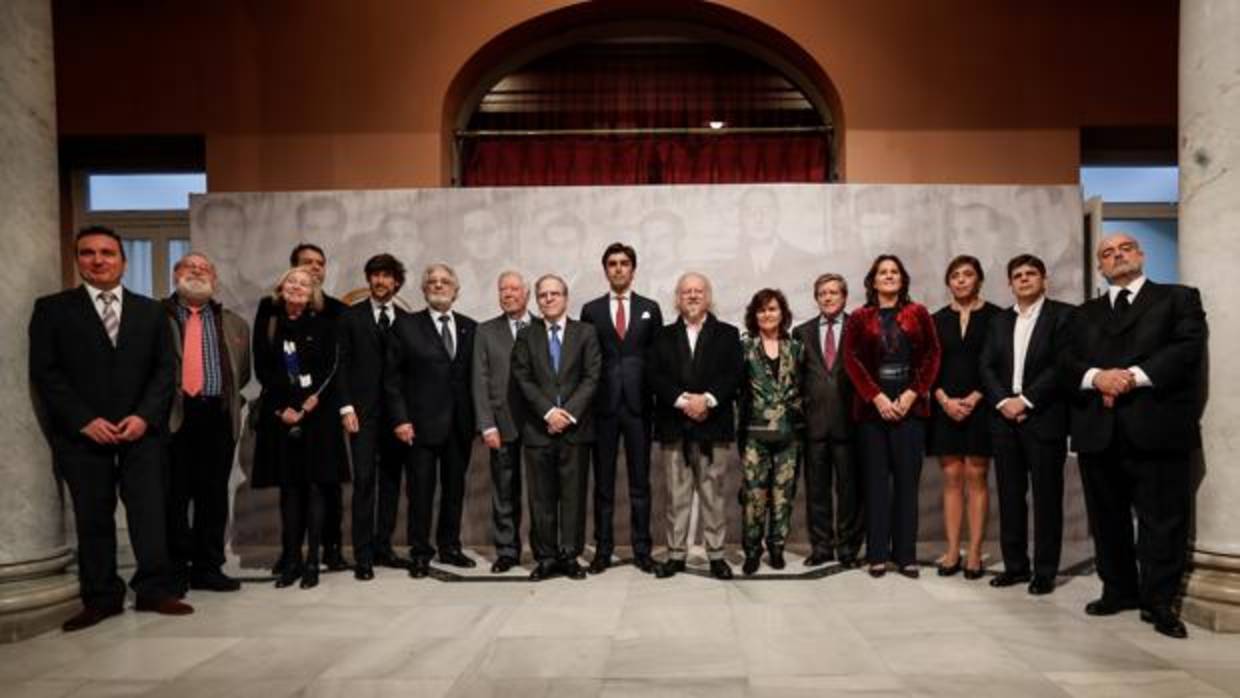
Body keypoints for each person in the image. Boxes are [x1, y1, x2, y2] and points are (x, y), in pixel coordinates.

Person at [30, 226, 191, 631]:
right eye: (88, 253)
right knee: (93, 517)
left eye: (107, 253)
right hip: (84, 436)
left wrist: (144, 416)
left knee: (149, 514)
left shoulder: (151, 311)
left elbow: (164, 370)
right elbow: (47, 374)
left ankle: (155, 590)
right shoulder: (52, 309)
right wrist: (83, 420)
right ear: (77, 259)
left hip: (142, 432)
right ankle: (101, 597)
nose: (98, 260)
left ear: (123, 260)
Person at [1061, 233, 1205, 639]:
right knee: (1107, 518)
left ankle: (1159, 601)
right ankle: (1118, 589)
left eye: (1124, 248)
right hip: (1098, 431)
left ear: (1140, 255)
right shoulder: (1082, 314)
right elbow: (1066, 361)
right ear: (1100, 267)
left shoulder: (1178, 299)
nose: (1116, 255)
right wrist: (1097, 377)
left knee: (1162, 518)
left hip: (1157, 426)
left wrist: (1132, 378)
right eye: (1107, 253)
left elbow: (1186, 349)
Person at [979, 254, 1073, 596]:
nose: (1024, 279)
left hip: (1043, 417)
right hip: (1004, 420)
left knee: (1047, 497)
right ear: (1010, 283)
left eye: (1031, 273)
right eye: (1017, 275)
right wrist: (1005, 402)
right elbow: (986, 365)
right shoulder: (999, 321)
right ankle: (1016, 566)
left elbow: (1062, 366)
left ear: (1043, 278)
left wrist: (1026, 400)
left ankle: (1045, 571)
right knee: (1009, 497)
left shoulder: (1064, 315)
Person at [254, 243, 350, 574]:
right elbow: (262, 365)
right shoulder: (268, 311)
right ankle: (290, 553)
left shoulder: (333, 312)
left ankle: (327, 552)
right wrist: (283, 407)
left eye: (318, 264)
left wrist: (310, 405)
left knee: (325, 487)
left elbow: (333, 366)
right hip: (282, 413)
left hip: (318, 412)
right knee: (290, 487)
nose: (311, 270)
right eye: (304, 265)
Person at [843, 255, 941, 579]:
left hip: (910, 411)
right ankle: (877, 555)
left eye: (894, 272)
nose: (889, 276)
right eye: (882, 272)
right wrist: (878, 398)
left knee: (906, 485)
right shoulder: (859, 317)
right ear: (873, 281)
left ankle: (906, 554)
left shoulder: (919, 313)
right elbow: (851, 360)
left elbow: (932, 355)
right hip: (872, 412)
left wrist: (913, 393)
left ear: (902, 279)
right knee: (875, 485)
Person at [163, 252, 251, 594]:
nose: (197, 272)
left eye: (204, 269)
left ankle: (208, 568)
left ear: (214, 279)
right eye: (190, 267)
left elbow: (241, 373)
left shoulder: (232, 322)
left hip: (216, 417)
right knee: (173, 496)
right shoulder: (159, 315)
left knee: (213, 497)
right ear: (176, 275)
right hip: (174, 418)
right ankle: (173, 568)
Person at [647, 273, 743, 580]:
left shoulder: (728, 334)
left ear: (708, 296)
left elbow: (734, 375)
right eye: (686, 291)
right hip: (675, 425)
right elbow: (654, 376)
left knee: (713, 495)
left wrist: (708, 400)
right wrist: (682, 401)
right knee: (677, 495)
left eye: (697, 291)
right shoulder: (661, 336)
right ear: (677, 297)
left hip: (713, 426)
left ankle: (716, 556)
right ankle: (676, 555)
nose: (691, 296)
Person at [385, 263, 478, 578]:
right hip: (419, 426)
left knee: (454, 490)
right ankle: (420, 553)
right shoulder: (405, 325)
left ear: (456, 289)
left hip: (460, 426)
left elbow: (474, 379)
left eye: (445, 281)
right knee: (421, 493)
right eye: (432, 282)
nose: (439, 285)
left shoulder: (470, 327)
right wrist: (400, 420)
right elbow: (392, 380)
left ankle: (450, 547)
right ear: (424, 290)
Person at [580, 242, 663, 574]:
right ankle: (603, 549)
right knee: (603, 484)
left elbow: (657, 361)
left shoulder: (650, 308)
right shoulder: (591, 310)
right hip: (603, 408)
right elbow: (587, 359)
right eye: (612, 264)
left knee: (640, 483)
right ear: (605, 270)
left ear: (633, 269)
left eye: (624, 263)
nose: (618, 268)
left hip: (639, 407)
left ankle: (642, 549)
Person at [511, 275, 602, 581]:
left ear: (566, 298)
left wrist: (568, 414)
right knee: (541, 498)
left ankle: (569, 555)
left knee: (574, 498)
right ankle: (546, 557)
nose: (548, 299)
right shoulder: (526, 335)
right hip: (539, 430)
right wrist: (549, 413)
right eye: (543, 295)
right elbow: (522, 377)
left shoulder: (585, 333)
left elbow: (592, 377)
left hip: (576, 430)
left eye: (554, 294)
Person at [336, 254, 410, 581]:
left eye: (386, 276)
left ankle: (384, 547)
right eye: (375, 275)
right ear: (369, 280)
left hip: (396, 416)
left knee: (392, 482)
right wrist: (346, 407)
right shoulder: (350, 317)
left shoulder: (407, 320)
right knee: (364, 482)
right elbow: (341, 366)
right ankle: (363, 554)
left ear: (396, 282)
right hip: (361, 415)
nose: (380, 281)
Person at [928, 255, 1001, 579]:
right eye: (955, 275)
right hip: (944, 405)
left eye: (967, 274)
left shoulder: (997, 317)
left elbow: (1002, 362)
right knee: (952, 477)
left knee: (977, 475)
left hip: (981, 405)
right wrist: (943, 399)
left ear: (979, 279)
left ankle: (974, 553)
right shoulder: (936, 319)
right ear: (949, 282)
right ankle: (952, 550)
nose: (960, 280)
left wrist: (975, 397)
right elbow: (928, 365)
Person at [793, 273, 862, 568]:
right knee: (816, 491)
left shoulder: (858, 328)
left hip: (850, 424)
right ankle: (821, 547)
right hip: (814, 426)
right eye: (823, 293)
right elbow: (796, 380)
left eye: (834, 292)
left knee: (849, 491)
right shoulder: (802, 332)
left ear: (844, 296)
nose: (829, 297)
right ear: (816, 298)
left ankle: (847, 548)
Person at [471, 271, 536, 573]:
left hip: (540, 423)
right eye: (502, 289)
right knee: (504, 490)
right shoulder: (485, 331)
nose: (508, 294)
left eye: (514, 289)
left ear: (527, 293)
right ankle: (507, 551)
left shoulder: (542, 326)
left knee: (542, 490)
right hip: (501, 423)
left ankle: (544, 548)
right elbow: (479, 381)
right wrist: (487, 424)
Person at [738, 288, 805, 576]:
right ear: (755, 316)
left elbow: (805, 387)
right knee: (755, 497)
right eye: (762, 310)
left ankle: (777, 546)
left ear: (782, 313)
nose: (767, 314)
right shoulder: (744, 346)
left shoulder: (796, 347)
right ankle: (752, 551)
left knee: (783, 496)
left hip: (789, 435)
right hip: (755, 435)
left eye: (773, 309)